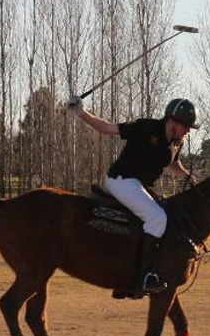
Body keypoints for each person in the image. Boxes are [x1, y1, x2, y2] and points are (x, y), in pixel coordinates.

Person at [67, 95, 198, 297]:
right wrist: (81, 112)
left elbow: (172, 163)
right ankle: (146, 277)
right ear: (172, 122)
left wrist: (186, 174)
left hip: (139, 186)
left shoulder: (177, 141)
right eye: (186, 126)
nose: (188, 131)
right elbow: (107, 128)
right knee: (157, 217)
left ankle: (127, 276)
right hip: (122, 180)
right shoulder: (145, 127)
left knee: (162, 214)